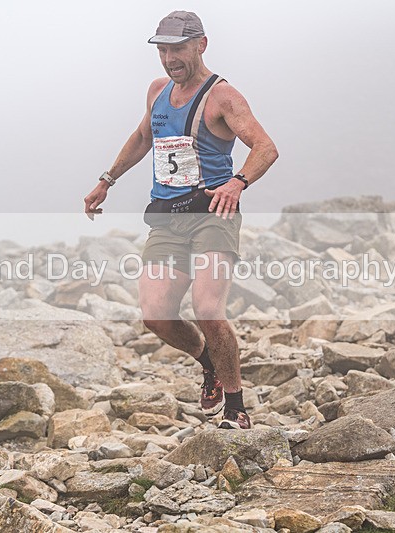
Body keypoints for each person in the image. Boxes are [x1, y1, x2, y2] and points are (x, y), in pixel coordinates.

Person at [84, 11, 278, 429]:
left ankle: (236, 408)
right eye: (163, 50)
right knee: (155, 314)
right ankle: (210, 362)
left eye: (178, 49)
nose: (170, 59)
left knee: (207, 308)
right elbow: (141, 138)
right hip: (167, 218)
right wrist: (107, 180)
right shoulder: (157, 91)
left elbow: (265, 147)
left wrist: (238, 182)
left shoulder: (223, 97)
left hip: (212, 213)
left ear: (200, 45)